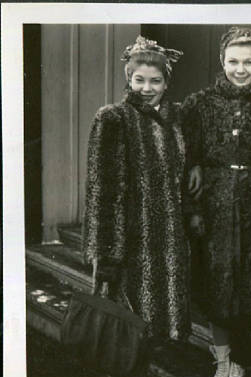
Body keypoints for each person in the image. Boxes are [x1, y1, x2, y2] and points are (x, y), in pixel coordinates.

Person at [182, 27, 251, 377]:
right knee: (216, 282)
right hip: (214, 204)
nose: (240, 69)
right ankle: (222, 361)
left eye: (249, 61)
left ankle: (242, 362)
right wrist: (195, 202)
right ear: (221, 60)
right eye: (233, 61)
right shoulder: (199, 104)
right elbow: (187, 157)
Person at [83, 36, 194, 342]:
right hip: (130, 243)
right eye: (139, 80)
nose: (147, 89)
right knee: (124, 331)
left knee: (159, 333)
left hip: (168, 241)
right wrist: (106, 255)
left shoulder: (176, 119)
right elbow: (102, 192)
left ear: (166, 82)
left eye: (155, 81)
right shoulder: (114, 118)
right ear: (128, 79)